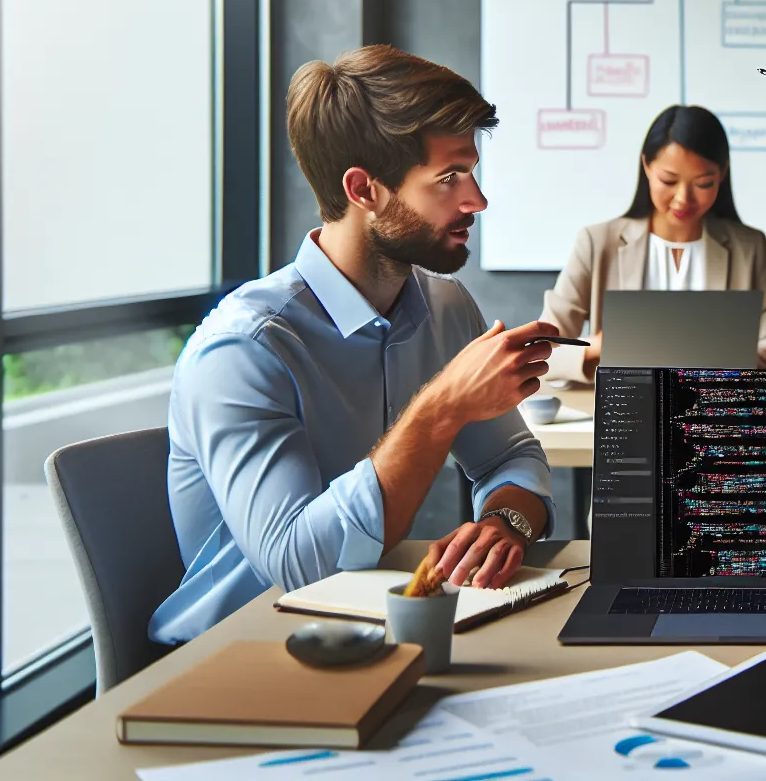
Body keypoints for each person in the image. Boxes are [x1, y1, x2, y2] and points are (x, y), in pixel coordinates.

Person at [151, 45, 558, 644]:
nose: (476, 200)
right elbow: (296, 569)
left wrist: (506, 520)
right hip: (242, 654)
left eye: (471, 172)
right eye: (448, 178)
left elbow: (510, 457)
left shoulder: (446, 309)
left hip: (382, 633)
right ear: (364, 189)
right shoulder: (242, 350)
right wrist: (440, 407)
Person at [539, 104, 766, 381]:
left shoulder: (748, 247)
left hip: (711, 412)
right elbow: (543, 351)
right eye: (669, 180)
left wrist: (713, 357)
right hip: (624, 410)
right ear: (647, 165)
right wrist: (599, 348)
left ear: (722, 173)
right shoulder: (597, 243)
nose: (683, 198)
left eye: (703, 183)